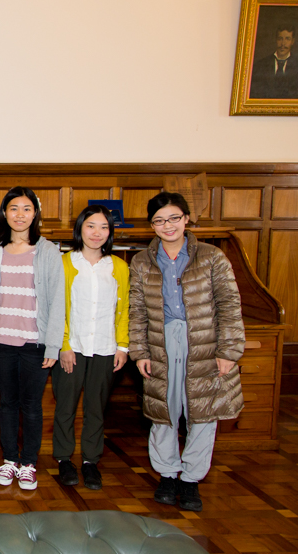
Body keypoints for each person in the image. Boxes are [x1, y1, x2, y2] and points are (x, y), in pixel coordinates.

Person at [129, 192, 245, 512]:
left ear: (187, 219)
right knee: (163, 410)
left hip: (203, 342)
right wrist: (140, 352)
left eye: (174, 218)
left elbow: (229, 304)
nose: (168, 225)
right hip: (160, 341)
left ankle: (191, 478)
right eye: (159, 220)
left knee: (203, 411)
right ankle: (167, 473)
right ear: (152, 225)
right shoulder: (141, 261)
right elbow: (136, 310)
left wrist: (228, 350)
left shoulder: (211, 257)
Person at [0, 186, 63, 490]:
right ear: (4, 214)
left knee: (32, 405)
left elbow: (57, 300)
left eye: (26, 209)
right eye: (14, 209)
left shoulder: (48, 251)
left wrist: (53, 343)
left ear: (35, 213)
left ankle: (29, 464)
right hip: (0, 341)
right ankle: (10, 460)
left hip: (34, 343)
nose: (20, 215)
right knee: (8, 403)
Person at [52, 205, 129, 491]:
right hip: (72, 347)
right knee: (66, 406)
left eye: (104, 227)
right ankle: (63, 459)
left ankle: (90, 462)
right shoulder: (64, 263)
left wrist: (123, 346)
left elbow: (124, 310)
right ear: (80, 228)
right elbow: (56, 307)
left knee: (96, 408)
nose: (97, 233)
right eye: (91, 226)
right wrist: (63, 344)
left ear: (110, 232)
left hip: (106, 348)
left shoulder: (119, 266)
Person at [250, 24, 298, 99]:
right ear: (276, 40)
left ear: (293, 41)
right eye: (280, 39)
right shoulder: (261, 66)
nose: (283, 44)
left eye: (287, 39)